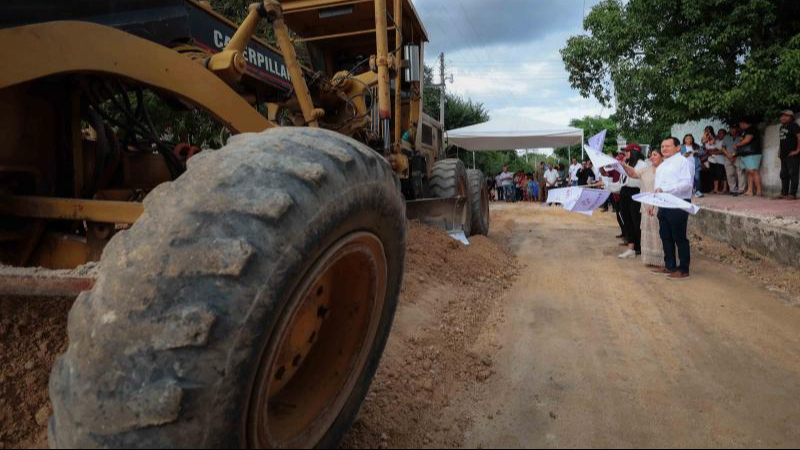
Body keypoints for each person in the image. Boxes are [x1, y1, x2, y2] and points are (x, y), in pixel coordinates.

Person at [655, 137, 695, 280]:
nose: (664, 149)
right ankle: (670, 266)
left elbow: (687, 184)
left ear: (678, 147)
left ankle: (683, 269)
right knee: (665, 236)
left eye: (668, 146)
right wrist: (654, 201)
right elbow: (657, 187)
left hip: (678, 203)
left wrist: (665, 189)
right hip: (664, 203)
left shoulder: (683, 162)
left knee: (679, 237)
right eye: (662, 146)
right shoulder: (661, 166)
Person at [621, 148, 666, 268]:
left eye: (655, 155)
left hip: (659, 205)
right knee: (647, 230)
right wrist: (624, 166)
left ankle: (662, 259)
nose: (652, 157)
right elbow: (633, 173)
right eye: (651, 155)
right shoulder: (646, 169)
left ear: (662, 157)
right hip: (646, 205)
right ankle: (650, 258)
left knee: (658, 232)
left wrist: (654, 201)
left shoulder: (665, 170)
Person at [617, 144, 648, 259]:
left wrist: (626, 167)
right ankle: (631, 247)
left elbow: (638, 178)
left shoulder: (642, 164)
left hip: (636, 192)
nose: (625, 153)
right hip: (624, 192)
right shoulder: (626, 164)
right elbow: (621, 182)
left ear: (635, 152)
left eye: (627, 151)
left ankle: (639, 246)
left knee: (636, 220)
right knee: (627, 220)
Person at [735, 118, 763, 197]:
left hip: (752, 153)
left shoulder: (751, 129)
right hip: (747, 154)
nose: (740, 126)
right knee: (748, 172)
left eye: (740, 124)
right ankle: (749, 191)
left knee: (753, 171)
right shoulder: (746, 131)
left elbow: (747, 140)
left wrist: (737, 145)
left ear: (743, 122)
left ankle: (759, 190)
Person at [779, 110, 800, 200]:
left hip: (792, 155)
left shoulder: (794, 125)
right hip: (783, 155)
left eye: (786, 116)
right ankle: (784, 193)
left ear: (791, 117)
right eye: (782, 116)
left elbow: (799, 137)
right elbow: (782, 141)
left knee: (793, 174)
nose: (783, 117)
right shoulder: (781, 127)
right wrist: (779, 151)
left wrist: (797, 150)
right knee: (784, 174)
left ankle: (792, 194)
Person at [716, 128, 742, 196]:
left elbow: (742, 147)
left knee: (740, 173)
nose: (733, 130)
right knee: (730, 174)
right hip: (727, 157)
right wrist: (728, 155)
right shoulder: (726, 137)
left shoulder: (741, 137)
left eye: (734, 129)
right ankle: (732, 189)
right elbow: (723, 148)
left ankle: (741, 190)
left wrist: (734, 155)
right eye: (731, 129)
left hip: (738, 157)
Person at [704, 126, 728, 194]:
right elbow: (710, 148)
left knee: (723, 174)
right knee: (715, 174)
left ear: (725, 135)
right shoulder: (716, 140)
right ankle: (715, 189)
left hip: (722, 159)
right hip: (713, 160)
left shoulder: (725, 141)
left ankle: (724, 189)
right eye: (719, 133)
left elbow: (722, 150)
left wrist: (713, 152)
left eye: (721, 133)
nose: (719, 134)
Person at [681, 134, 705, 198]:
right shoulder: (682, 147)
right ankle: (688, 191)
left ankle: (698, 192)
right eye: (687, 139)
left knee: (697, 178)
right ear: (684, 140)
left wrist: (697, 153)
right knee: (687, 179)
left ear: (692, 139)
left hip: (696, 165)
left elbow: (703, 153)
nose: (689, 140)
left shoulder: (696, 146)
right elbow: (679, 156)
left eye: (690, 138)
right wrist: (684, 155)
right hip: (686, 166)